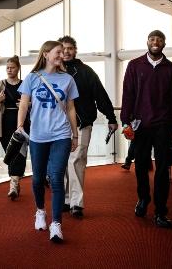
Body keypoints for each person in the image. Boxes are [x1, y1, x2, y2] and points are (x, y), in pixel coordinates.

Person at [121, 30, 172, 228]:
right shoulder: (134, 65)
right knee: (140, 166)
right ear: (147, 42)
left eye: (159, 40)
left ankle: (160, 212)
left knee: (163, 169)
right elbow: (128, 94)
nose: (155, 42)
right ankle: (143, 199)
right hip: (140, 125)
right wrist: (125, 121)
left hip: (163, 126)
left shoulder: (171, 69)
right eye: (152, 39)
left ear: (164, 44)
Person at [17, 40, 79, 243]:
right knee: (37, 180)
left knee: (56, 177)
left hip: (60, 134)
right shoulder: (32, 78)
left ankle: (56, 224)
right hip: (38, 135)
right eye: (58, 52)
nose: (62, 55)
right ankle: (40, 211)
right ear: (46, 54)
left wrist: (74, 134)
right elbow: (24, 103)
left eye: (63, 52)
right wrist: (20, 126)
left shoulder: (68, 79)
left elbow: (70, 108)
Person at [58, 35, 118, 218]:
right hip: (58, 125)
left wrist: (111, 117)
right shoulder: (53, 72)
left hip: (83, 123)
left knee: (76, 160)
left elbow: (100, 95)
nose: (66, 52)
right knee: (63, 162)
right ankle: (67, 199)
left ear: (75, 50)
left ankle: (76, 202)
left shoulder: (86, 72)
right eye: (63, 48)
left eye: (70, 48)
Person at [0, 56, 29, 199]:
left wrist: (26, 105)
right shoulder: (0, 84)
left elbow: (34, 102)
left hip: (22, 122)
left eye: (12, 67)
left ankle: (13, 184)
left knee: (20, 152)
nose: (9, 70)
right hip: (4, 123)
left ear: (18, 68)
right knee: (10, 154)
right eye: (8, 68)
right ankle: (15, 182)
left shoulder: (25, 84)